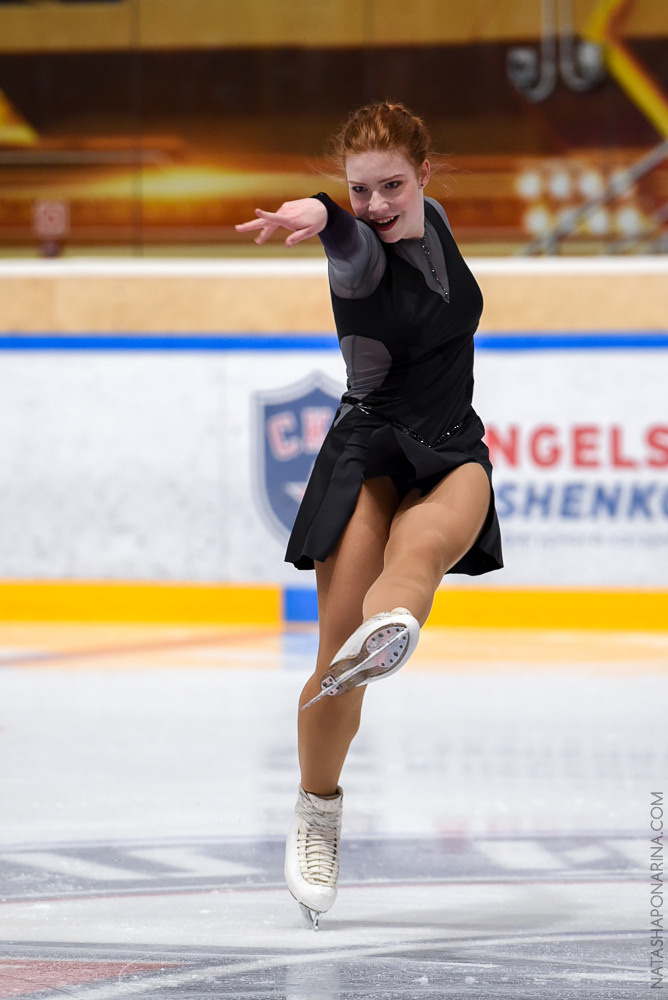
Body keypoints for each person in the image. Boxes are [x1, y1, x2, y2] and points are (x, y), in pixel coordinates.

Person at [236, 100, 503, 928]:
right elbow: (338, 233)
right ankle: (319, 810)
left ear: (426, 175)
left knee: (422, 546)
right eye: (360, 191)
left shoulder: (438, 222)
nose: (377, 205)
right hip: (367, 451)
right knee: (330, 668)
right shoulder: (356, 251)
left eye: (392, 185)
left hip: (453, 446)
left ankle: (389, 631)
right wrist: (314, 212)